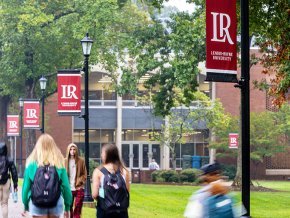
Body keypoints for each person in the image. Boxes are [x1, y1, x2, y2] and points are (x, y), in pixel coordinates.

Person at [22, 134, 72, 218]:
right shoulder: (59, 164)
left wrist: (26, 205)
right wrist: (67, 207)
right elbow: (66, 187)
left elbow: (25, 189)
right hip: (55, 203)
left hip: (37, 204)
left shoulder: (31, 164)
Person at [92, 143, 130, 218]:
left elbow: (95, 194)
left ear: (106, 155)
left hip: (104, 210)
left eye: (102, 153)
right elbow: (127, 190)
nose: (101, 155)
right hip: (121, 210)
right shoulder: (125, 171)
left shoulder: (98, 171)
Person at [64, 143, 87, 218]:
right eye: (71, 149)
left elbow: (85, 174)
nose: (72, 151)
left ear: (76, 150)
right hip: (68, 189)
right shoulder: (64, 161)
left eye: (74, 149)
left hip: (79, 188)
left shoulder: (81, 161)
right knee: (69, 208)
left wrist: (80, 182)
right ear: (68, 150)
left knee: (77, 209)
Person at [0, 141, 18, 218]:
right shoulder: (9, 160)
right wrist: (15, 184)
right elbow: (14, 172)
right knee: (4, 204)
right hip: (6, 182)